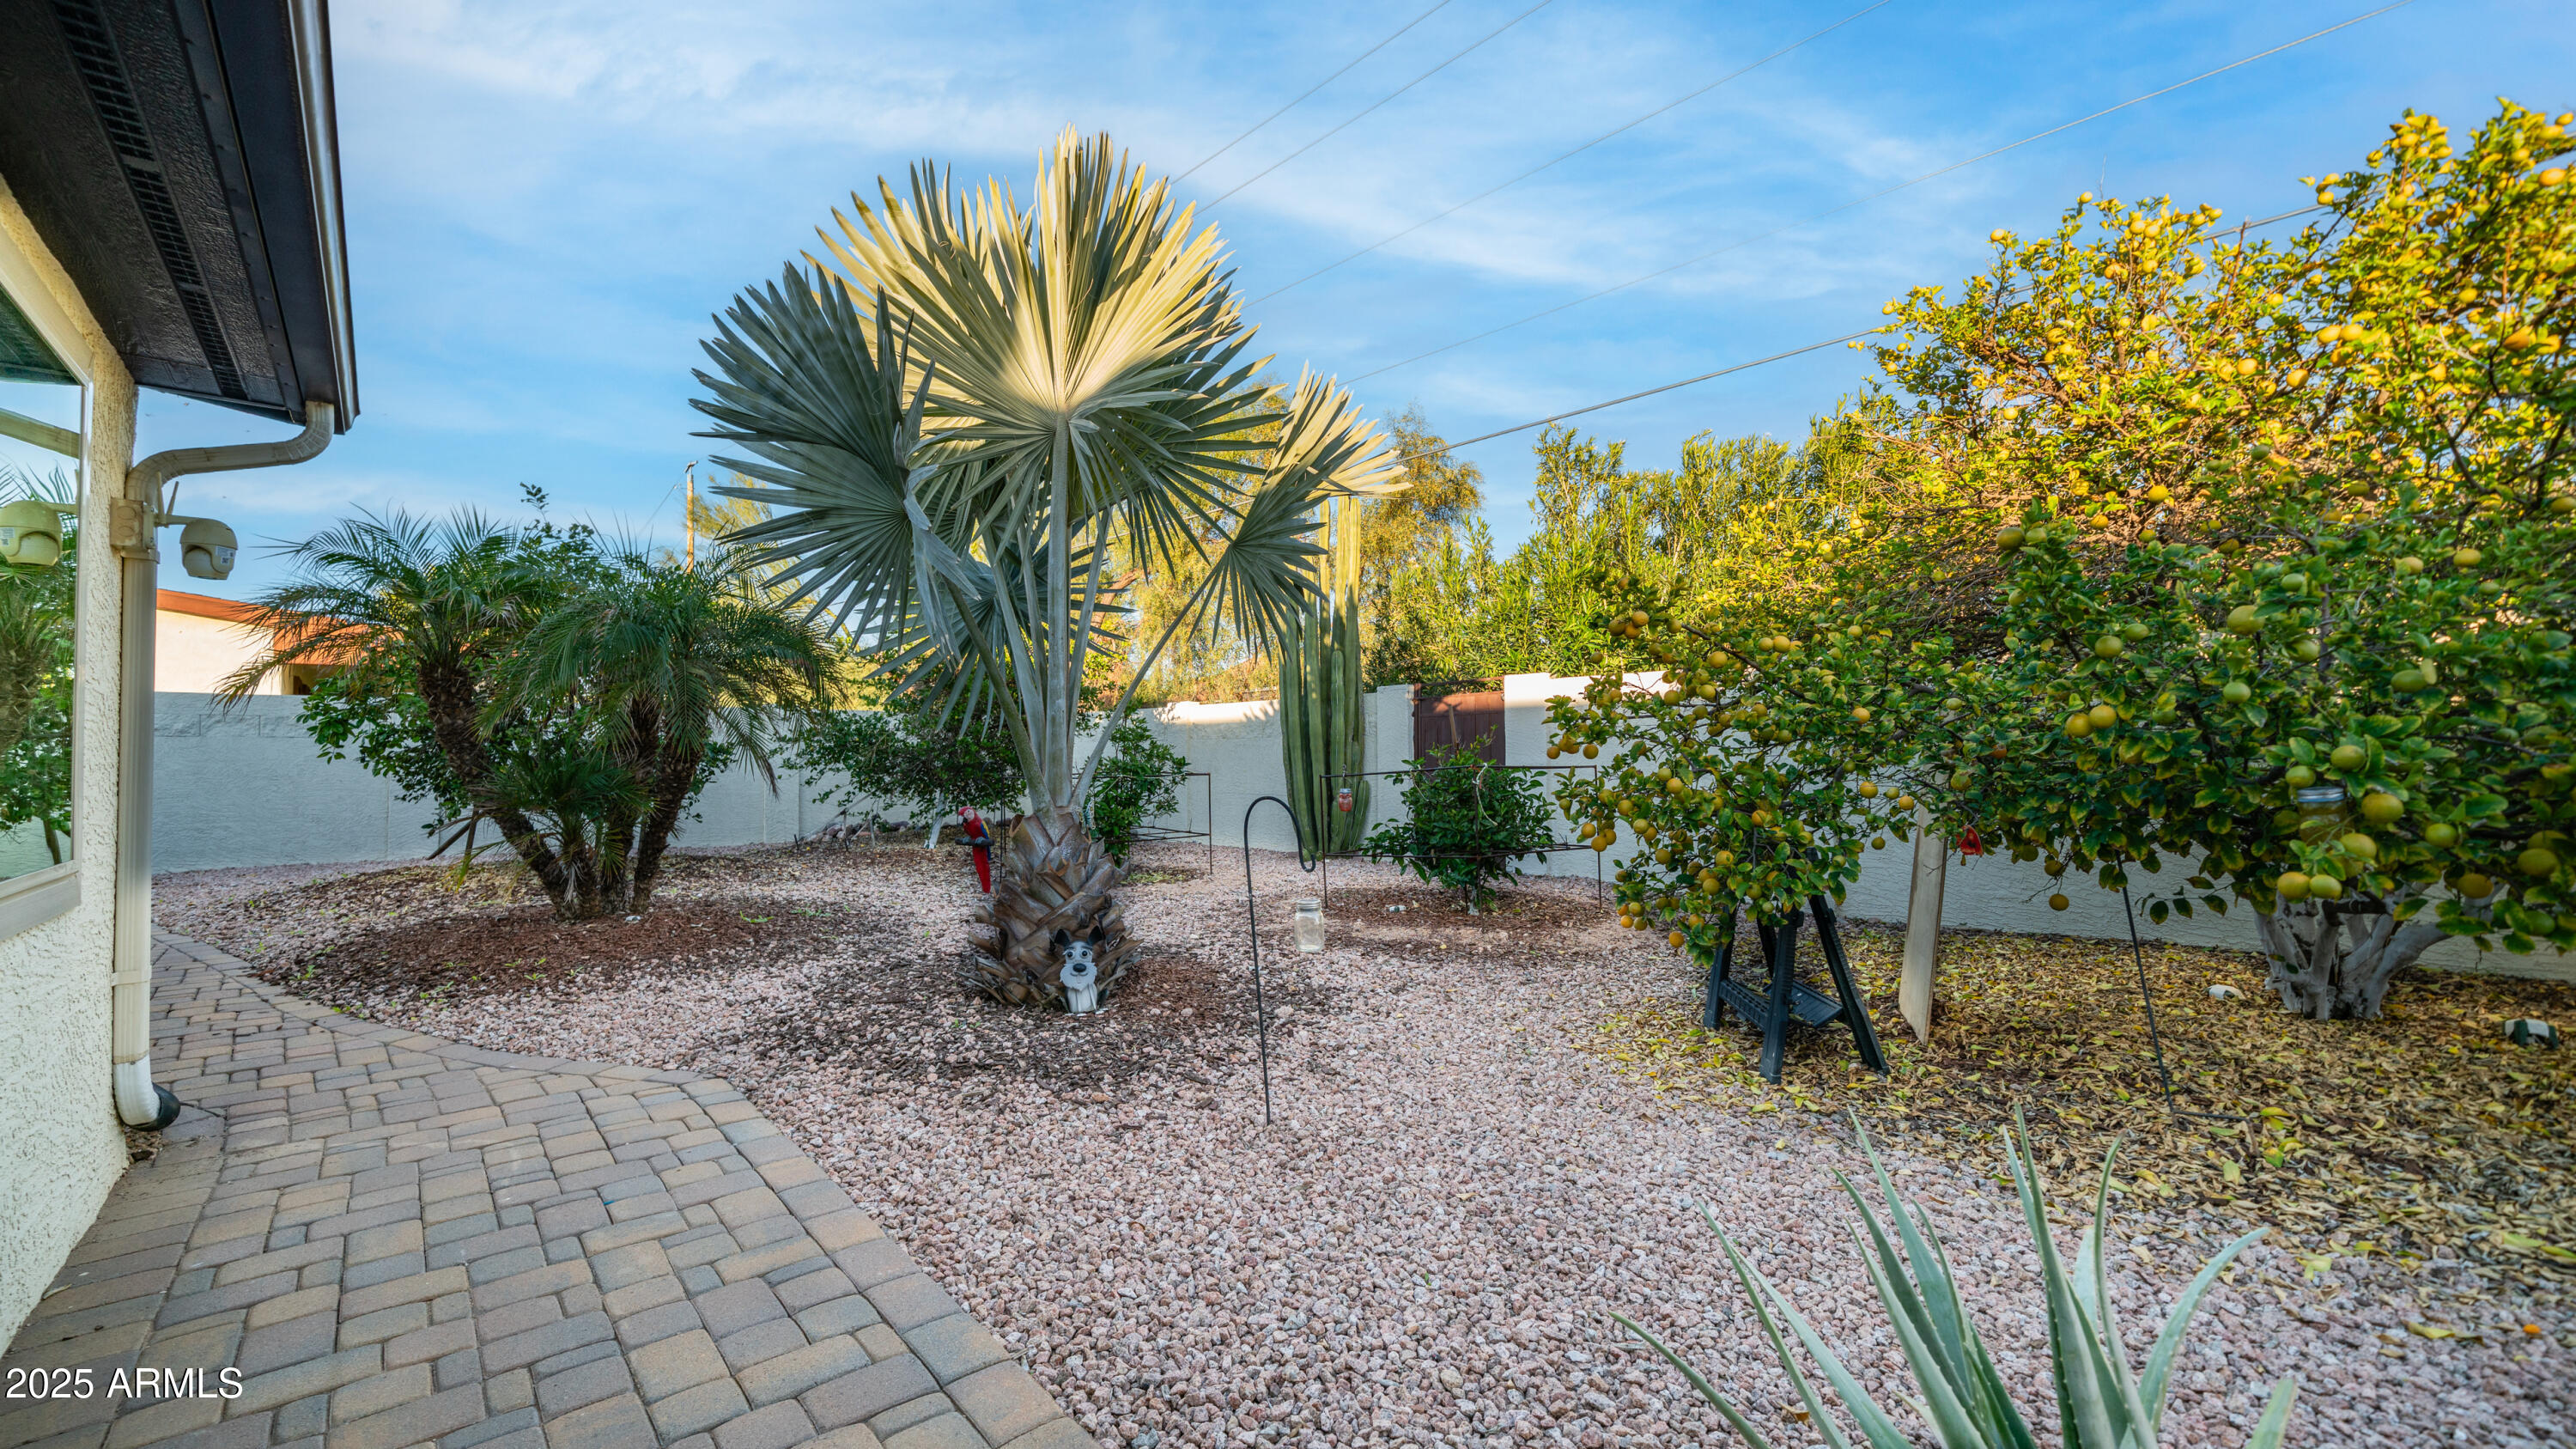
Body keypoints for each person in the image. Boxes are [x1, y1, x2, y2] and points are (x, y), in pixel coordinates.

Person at [957, 805, 993, 892]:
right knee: (979, 866)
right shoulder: (966, 825)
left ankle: (987, 889)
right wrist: (969, 838)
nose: (966, 815)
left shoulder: (980, 823)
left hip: (983, 845)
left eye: (968, 812)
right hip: (975, 846)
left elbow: (987, 837)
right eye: (963, 815)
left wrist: (983, 839)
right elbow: (970, 833)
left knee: (984, 866)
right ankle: (985, 889)